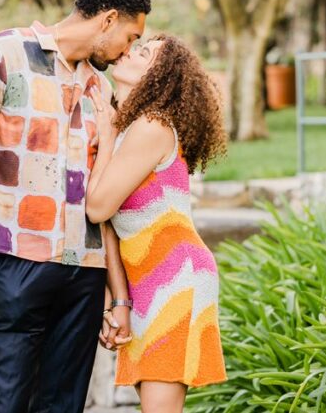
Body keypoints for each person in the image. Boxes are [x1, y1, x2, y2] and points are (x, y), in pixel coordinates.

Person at [0, 0, 151, 413]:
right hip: (14, 267)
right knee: (5, 405)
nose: (127, 53)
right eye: (130, 38)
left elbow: (105, 200)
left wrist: (118, 297)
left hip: (85, 277)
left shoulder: (102, 90)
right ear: (108, 20)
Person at [86, 35, 228, 413]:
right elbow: (110, 227)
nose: (128, 50)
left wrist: (109, 133)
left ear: (159, 77)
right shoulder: (136, 128)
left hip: (175, 280)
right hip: (150, 280)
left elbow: (98, 207)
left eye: (143, 52)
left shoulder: (152, 127)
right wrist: (116, 301)